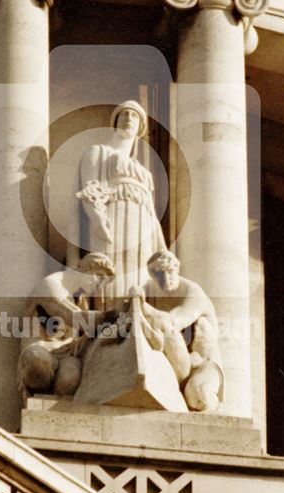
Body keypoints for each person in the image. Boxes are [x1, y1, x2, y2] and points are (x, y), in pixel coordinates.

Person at [76, 100, 166, 304]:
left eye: (134, 116)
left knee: (139, 276)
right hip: (111, 219)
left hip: (142, 226)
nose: (129, 119)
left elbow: (152, 214)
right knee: (110, 273)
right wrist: (97, 220)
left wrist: (162, 249)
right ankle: (107, 323)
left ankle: (136, 320)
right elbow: (89, 189)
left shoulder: (143, 171)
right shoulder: (97, 152)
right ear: (115, 121)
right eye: (124, 114)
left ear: (140, 127)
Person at [18, 253, 115, 401]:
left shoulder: (79, 298)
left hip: (65, 354)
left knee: (71, 379)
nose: (98, 286)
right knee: (37, 363)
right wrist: (114, 315)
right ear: (86, 269)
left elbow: (74, 337)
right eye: (99, 277)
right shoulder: (50, 286)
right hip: (40, 350)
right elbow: (72, 316)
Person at [142, 250, 224, 412]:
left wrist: (142, 307)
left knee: (199, 396)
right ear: (152, 275)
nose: (166, 278)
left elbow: (173, 322)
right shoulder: (148, 290)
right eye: (159, 274)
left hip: (202, 364)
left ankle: (216, 412)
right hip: (171, 363)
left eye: (170, 272)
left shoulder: (194, 293)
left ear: (177, 269)